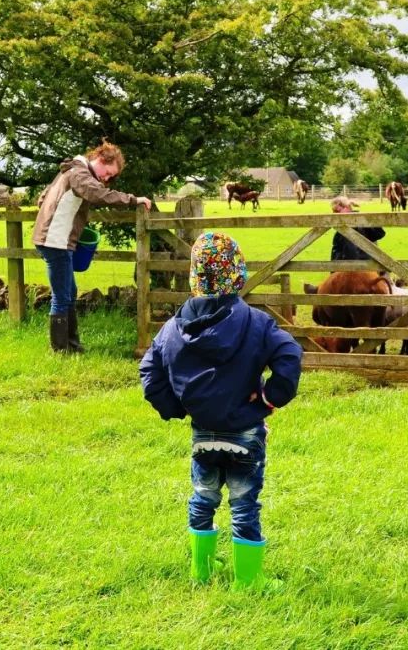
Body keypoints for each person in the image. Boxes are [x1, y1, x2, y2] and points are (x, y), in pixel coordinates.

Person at [139, 232, 302, 590]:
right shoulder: (257, 324)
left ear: (194, 276)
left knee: (203, 497)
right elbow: (289, 356)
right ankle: (249, 580)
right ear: (237, 273)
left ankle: (202, 571)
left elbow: (149, 372)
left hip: (203, 433)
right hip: (245, 433)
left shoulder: (173, 328)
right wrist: (269, 398)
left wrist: (176, 407)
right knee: (244, 503)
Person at [32, 141, 152, 353]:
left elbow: (42, 198)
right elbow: (98, 194)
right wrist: (134, 200)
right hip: (55, 241)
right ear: (100, 160)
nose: (107, 178)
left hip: (55, 239)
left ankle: (72, 345)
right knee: (61, 297)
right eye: (108, 172)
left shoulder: (70, 170)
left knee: (70, 291)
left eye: (110, 176)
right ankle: (60, 350)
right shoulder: (80, 174)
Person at [329, 195, 386, 260]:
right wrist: (334, 268)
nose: (335, 215)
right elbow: (337, 250)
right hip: (346, 266)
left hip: (367, 265)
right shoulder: (340, 229)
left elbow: (379, 234)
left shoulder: (362, 221)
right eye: (334, 212)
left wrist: (366, 219)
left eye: (337, 211)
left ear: (347, 208)